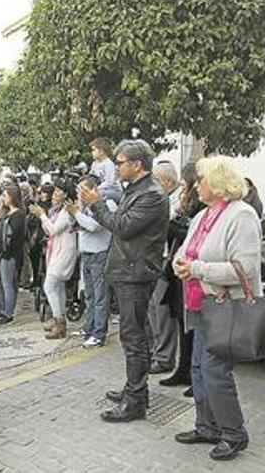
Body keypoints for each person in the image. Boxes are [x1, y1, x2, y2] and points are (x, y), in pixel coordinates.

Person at [172, 156, 262, 461]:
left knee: (214, 370)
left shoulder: (242, 215)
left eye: (201, 179)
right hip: (199, 303)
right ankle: (207, 426)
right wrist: (180, 262)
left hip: (225, 305)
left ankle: (234, 433)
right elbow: (186, 250)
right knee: (198, 368)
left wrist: (196, 268)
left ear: (218, 182)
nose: (197, 185)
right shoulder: (203, 215)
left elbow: (245, 270)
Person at [79, 139, 169, 423]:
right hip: (128, 270)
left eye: (120, 163)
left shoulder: (152, 194)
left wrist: (95, 206)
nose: (116, 167)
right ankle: (135, 390)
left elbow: (124, 226)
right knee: (135, 335)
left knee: (134, 338)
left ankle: (135, 401)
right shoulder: (137, 190)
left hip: (136, 273)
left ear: (137, 165)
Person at [159, 162, 205, 397]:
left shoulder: (201, 207)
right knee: (181, 322)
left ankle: (193, 374)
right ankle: (183, 368)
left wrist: (173, 224)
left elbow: (193, 236)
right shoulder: (186, 205)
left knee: (193, 326)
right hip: (179, 270)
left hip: (193, 273)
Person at [66, 175, 114, 347]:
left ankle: (99, 332)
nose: (80, 194)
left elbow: (94, 226)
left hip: (99, 255)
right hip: (86, 254)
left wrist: (76, 213)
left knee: (100, 297)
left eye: (83, 190)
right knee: (89, 295)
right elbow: (76, 226)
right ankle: (89, 327)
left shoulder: (106, 204)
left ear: (93, 189)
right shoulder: (84, 207)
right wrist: (73, 214)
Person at [30, 180, 78, 339]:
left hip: (64, 252)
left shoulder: (66, 211)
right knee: (58, 287)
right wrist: (43, 216)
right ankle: (60, 319)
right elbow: (49, 229)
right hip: (56, 251)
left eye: (58, 192)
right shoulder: (57, 210)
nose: (54, 194)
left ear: (66, 195)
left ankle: (59, 322)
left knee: (49, 286)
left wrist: (42, 215)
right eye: (55, 191)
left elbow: (54, 229)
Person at [148, 161, 182, 374]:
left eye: (156, 180)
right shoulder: (163, 199)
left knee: (162, 311)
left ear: (168, 182)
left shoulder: (177, 202)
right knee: (153, 309)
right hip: (156, 259)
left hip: (168, 260)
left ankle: (164, 357)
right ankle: (157, 352)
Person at [0, 185, 26, 325]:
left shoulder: (18, 215)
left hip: (10, 254)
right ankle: (2, 307)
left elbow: (13, 236)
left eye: (5, 195)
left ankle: (8, 312)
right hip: (1, 253)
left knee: (8, 284)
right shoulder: (7, 213)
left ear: (12, 197)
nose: (2, 198)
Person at [89, 137, 123, 203]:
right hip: (100, 189)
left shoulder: (109, 164)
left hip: (114, 191)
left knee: (96, 194)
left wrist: (96, 188)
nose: (92, 152)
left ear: (101, 151)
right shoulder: (94, 164)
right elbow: (92, 178)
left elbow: (110, 182)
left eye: (93, 150)